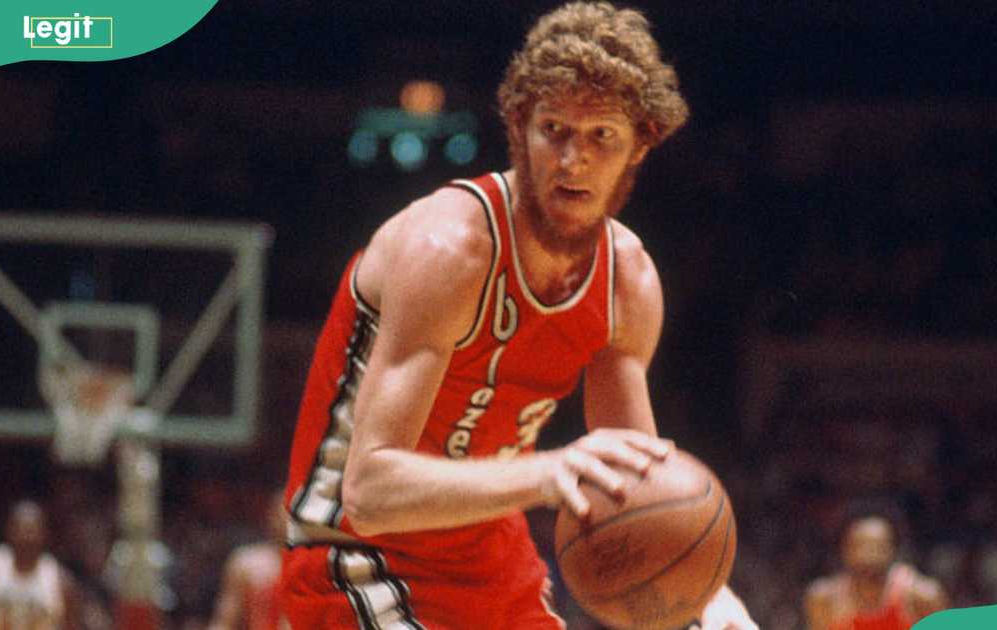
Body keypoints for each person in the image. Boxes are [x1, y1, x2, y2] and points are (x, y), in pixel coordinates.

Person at [282, 3, 757, 628]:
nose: (572, 159)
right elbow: (369, 494)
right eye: (553, 128)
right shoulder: (450, 249)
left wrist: (700, 594)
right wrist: (545, 470)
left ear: (642, 141)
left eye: (601, 135)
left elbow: (633, 488)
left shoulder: (629, 284)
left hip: (492, 562)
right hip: (352, 557)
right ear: (517, 125)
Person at [804, 513, 948, 630]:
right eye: (859, 546)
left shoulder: (922, 596)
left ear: (894, 550)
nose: (867, 556)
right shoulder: (824, 599)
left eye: (877, 548)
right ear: (844, 550)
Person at [0, 500, 83, 630]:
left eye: (31, 530)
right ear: (8, 529)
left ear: (45, 534)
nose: (25, 535)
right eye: (19, 528)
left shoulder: (62, 582)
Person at [208, 490, 290, 630]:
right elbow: (224, 622)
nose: (287, 520)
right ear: (272, 516)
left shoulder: (318, 565)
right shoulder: (246, 563)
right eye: (284, 512)